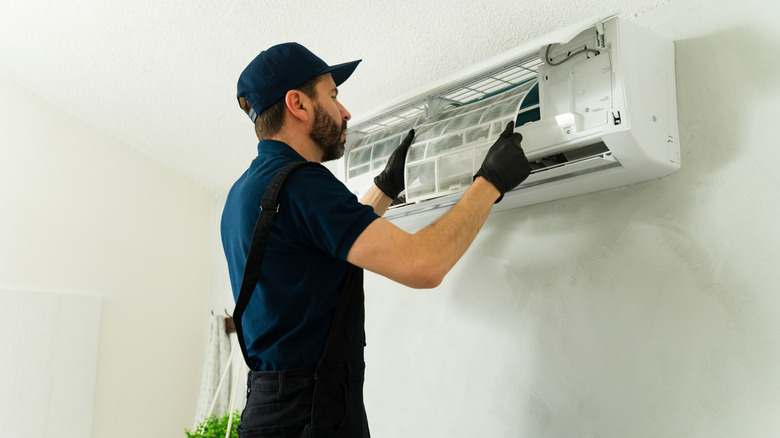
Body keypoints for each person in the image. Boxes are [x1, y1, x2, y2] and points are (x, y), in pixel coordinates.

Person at [221, 42, 531, 438]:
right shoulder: (303, 183)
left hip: (269, 412)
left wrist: (385, 187)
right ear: (298, 105)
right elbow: (425, 264)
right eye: (333, 95)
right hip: (313, 414)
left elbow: (324, 244)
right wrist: (490, 182)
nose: (345, 111)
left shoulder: (244, 192)